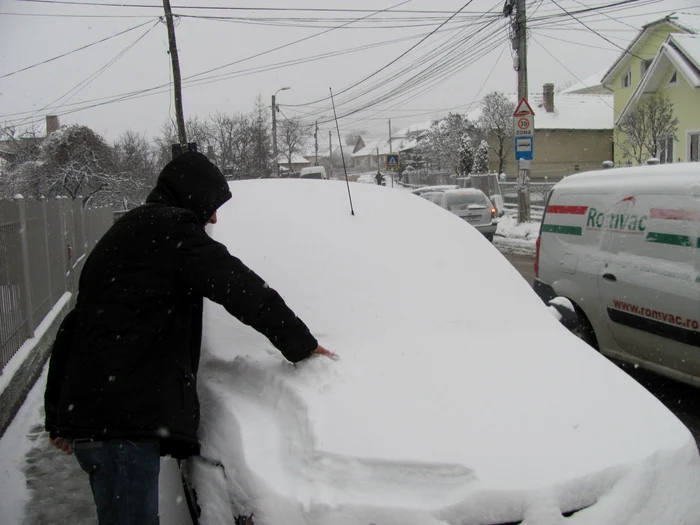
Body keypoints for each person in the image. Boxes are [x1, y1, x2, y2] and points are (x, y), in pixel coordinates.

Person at [44, 151, 336, 525]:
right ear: (192, 195)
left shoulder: (131, 231)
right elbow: (238, 285)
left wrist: (59, 415)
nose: (213, 217)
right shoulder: (169, 230)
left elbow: (76, 327)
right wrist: (301, 344)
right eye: (212, 205)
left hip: (104, 422)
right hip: (121, 430)